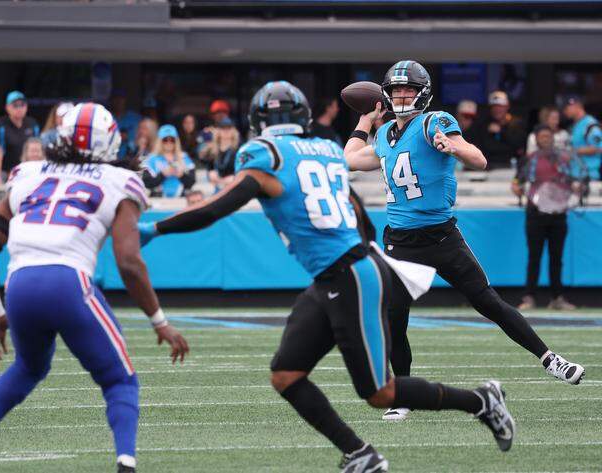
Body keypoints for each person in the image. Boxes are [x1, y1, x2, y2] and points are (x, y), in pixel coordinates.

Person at [138, 81, 516, 473]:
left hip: (348, 276)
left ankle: (481, 401)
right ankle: (360, 454)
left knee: (379, 391)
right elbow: (358, 214)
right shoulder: (326, 152)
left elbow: (216, 209)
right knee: (286, 374)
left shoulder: (265, 154)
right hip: (339, 273)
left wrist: (155, 229)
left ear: (257, 120)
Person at [343, 60, 585, 421]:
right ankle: (403, 394)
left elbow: (480, 158)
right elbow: (349, 159)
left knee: (487, 302)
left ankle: (550, 358)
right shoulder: (386, 135)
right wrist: (366, 119)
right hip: (401, 240)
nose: (402, 95)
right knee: (395, 318)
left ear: (422, 92)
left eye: (408, 89)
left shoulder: (433, 123)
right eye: (395, 90)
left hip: (441, 234)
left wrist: (453, 148)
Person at [0, 103, 188, 473]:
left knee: (27, 368)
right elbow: (129, 262)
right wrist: (159, 320)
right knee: (120, 381)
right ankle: (126, 465)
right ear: (111, 141)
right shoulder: (120, 181)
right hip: (68, 283)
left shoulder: (29, 173)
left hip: (18, 286)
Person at [513, 125, 580, 311]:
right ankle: (529, 297)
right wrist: (516, 188)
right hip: (535, 213)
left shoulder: (563, 159)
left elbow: (573, 181)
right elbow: (517, 181)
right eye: (542, 136)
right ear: (536, 138)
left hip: (558, 214)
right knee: (534, 256)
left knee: (556, 258)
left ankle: (557, 298)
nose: (545, 139)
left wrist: (576, 187)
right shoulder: (529, 159)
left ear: (553, 138)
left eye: (548, 136)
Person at [0, 91, 39, 192]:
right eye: (15, 105)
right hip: (7, 172)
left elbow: (38, 150)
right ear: (7, 107)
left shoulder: (32, 123)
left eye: (22, 105)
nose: (19, 108)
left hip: (28, 171)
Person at [471, 90, 526, 169]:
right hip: (489, 167)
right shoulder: (484, 124)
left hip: (511, 166)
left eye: (500, 106)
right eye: (494, 106)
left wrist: (502, 132)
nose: (497, 109)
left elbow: (519, 145)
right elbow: (481, 146)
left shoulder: (517, 123)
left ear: (507, 106)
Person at [143, 124, 195, 197]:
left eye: (172, 140)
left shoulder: (184, 157)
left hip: (181, 200)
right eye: (165, 140)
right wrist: (163, 175)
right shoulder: (151, 159)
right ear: (160, 141)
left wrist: (181, 175)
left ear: (176, 141)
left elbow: (192, 182)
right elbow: (146, 183)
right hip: (158, 201)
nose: (169, 142)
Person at [562, 95, 602, 180]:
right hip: (574, 175)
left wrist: (574, 151)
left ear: (577, 106)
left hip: (589, 175)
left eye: (567, 108)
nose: (565, 111)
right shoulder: (573, 126)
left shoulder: (590, 124)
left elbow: (599, 148)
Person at [200, 117, 240, 191]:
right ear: (218, 131)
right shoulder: (212, 149)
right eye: (223, 128)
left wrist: (235, 177)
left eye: (229, 128)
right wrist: (210, 173)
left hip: (233, 185)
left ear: (233, 131)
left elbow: (242, 168)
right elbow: (204, 162)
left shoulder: (239, 149)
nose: (226, 131)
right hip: (216, 185)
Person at [110, 89, 142, 159]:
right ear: (111, 101)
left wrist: (129, 139)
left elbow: (144, 138)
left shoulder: (136, 118)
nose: (118, 101)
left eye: (121, 98)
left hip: (133, 159)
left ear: (125, 100)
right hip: (111, 160)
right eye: (116, 98)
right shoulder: (107, 118)